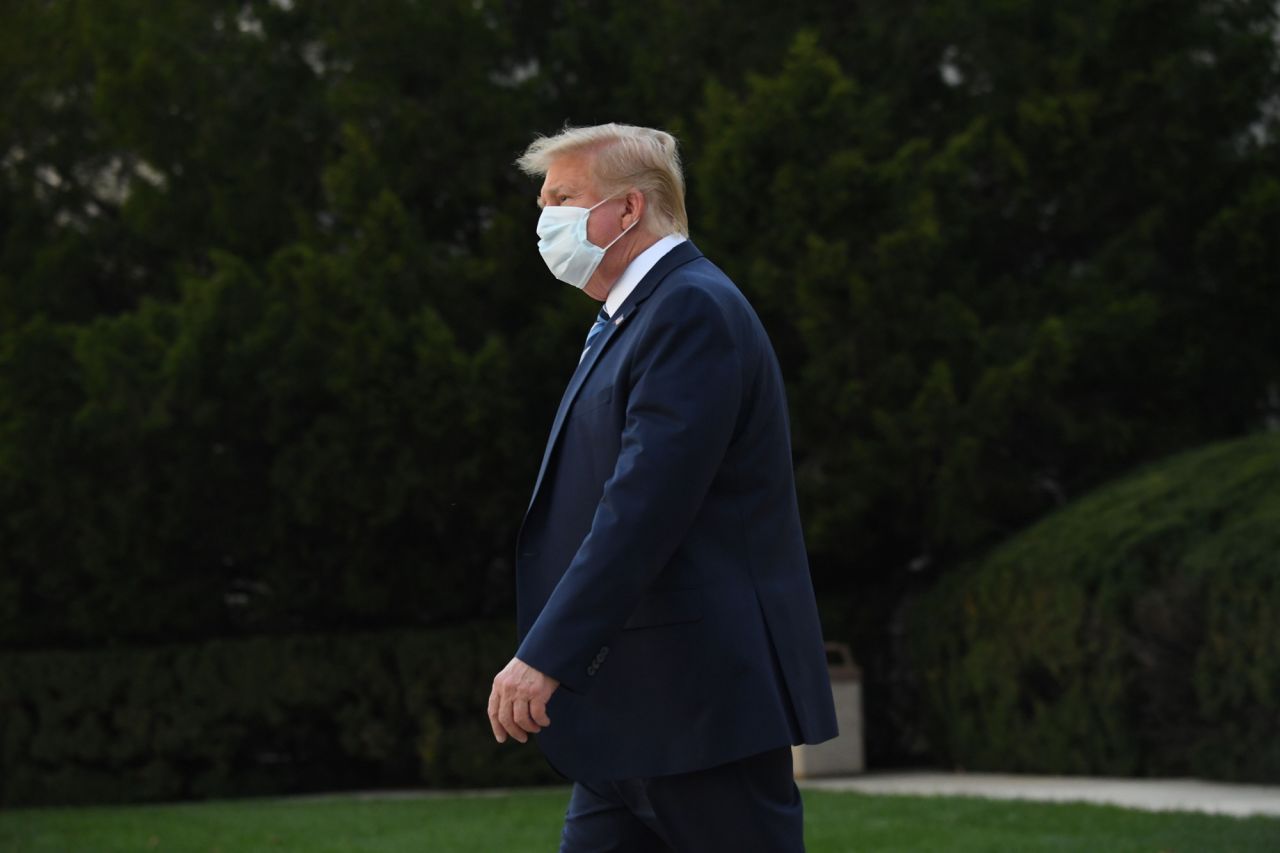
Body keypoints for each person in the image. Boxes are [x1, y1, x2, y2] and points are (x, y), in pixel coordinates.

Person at [488, 123, 838, 852]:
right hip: (640, 713)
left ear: (627, 211)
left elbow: (642, 509)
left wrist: (546, 652)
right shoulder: (633, 318)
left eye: (562, 197)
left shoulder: (689, 311)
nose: (543, 218)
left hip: (701, 707)